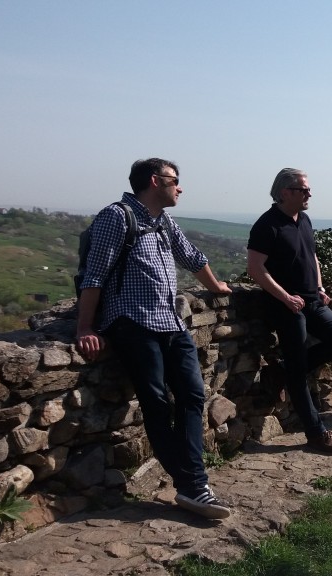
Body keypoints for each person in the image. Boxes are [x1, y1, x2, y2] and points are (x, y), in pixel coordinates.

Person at [76, 158, 233, 519]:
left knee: (193, 395)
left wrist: (218, 287)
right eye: (175, 180)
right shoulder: (117, 217)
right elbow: (94, 274)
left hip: (171, 322)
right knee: (157, 403)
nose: (180, 187)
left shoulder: (163, 221)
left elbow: (191, 257)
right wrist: (85, 327)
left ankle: (194, 483)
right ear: (154, 181)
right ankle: (194, 485)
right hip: (132, 323)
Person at [247, 168, 332, 455]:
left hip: (312, 301)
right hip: (286, 307)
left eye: (308, 189)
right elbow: (256, 269)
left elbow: (313, 257)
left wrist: (319, 287)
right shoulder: (267, 225)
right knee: (298, 371)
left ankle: (286, 370)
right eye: (303, 189)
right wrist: (285, 297)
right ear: (285, 192)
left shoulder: (303, 220)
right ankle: (316, 433)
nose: (309, 194)